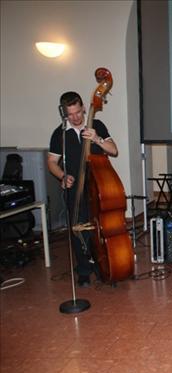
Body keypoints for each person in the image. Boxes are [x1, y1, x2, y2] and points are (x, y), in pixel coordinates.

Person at [47, 91, 118, 287]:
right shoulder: (60, 133)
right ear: (64, 114)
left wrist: (97, 139)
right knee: (78, 231)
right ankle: (84, 270)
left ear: (84, 108)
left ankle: (104, 267)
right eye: (70, 114)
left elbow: (114, 150)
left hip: (99, 187)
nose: (75, 117)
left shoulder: (97, 125)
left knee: (101, 229)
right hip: (75, 190)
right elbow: (52, 162)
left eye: (78, 112)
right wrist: (62, 176)